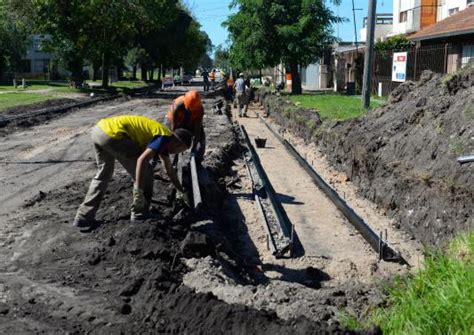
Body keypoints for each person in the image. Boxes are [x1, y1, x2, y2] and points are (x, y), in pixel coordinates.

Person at [73, 115, 192, 227]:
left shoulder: (164, 141)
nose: (176, 153)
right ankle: (140, 213)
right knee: (147, 171)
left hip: (99, 131)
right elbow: (142, 161)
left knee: (103, 174)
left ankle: (83, 216)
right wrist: (138, 191)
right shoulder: (164, 136)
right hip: (115, 135)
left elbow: (169, 170)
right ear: (178, 143)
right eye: (180, 150)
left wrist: (181, 191)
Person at [165, 90, 206, 164]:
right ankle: (166, 159)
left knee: (201, 138)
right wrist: (176, 139)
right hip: (175, 121)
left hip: (191, 121)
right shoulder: (178, 105)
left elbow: (197, 127)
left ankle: (197, 160)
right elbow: (172, 125)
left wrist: (194, 145)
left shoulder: (199, 108)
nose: (192, 111)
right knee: (166, 137)